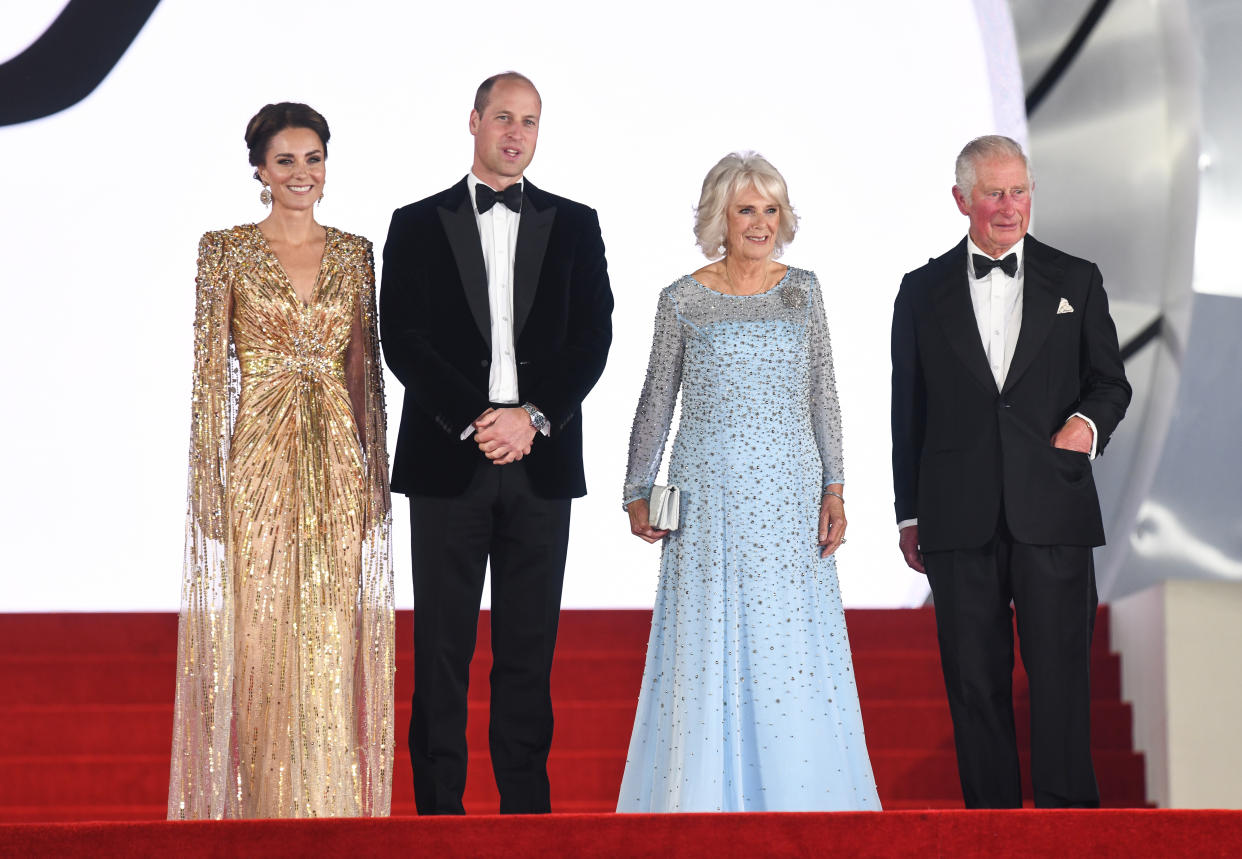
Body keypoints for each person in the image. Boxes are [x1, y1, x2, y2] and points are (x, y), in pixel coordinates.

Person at [617, 152, 881, 812]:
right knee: (706, 647)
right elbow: (657, 398)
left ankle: (797, 806)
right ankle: (705, 806)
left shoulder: (805, 291)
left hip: (790, 497)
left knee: (788, 649)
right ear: (720, 218)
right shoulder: (682, 299)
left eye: (770, 209)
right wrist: (635, 487)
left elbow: (824, 393)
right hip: (705, 498)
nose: (761, 223)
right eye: (746, 210)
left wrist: (836, 488)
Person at [379, 72, 613, 815]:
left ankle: (526, 818)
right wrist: (478, 418)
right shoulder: (416, 222)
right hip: (450, 462)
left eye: (531, 122)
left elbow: (593, 337)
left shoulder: (576, 222)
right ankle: (439, 816)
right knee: (441, 654)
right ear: (474, 121)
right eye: (504, 118)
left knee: (527, 653)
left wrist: (532, 416)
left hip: (541, 465)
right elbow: (403, 339)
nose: (517, 134)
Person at [168, 103, 395, 819]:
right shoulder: (224, 250)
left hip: (335, 457)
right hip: (259, 456)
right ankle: (270, 815)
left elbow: (365, 369)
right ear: (260, 171)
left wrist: (375, 477)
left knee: (328, 637)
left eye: (314, 157)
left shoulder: (357, 252)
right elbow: (209, 376)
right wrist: (209, 479)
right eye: (287, 160)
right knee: (264, 643)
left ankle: (331, 810)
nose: (303, 173)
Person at [890, 135, 1131, 808]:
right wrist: (909, 513)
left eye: (1019, 190)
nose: (1008, 206)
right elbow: (906, 411)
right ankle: (991, 829)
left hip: (1053, 505)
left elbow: (1109, 384)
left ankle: (1068, 831)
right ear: (961, 199)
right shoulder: (920, 291)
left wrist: (1084, 428)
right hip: (956, 514)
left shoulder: (1077, 279)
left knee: (1060, 677)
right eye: (993, 192)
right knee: (973, 681)